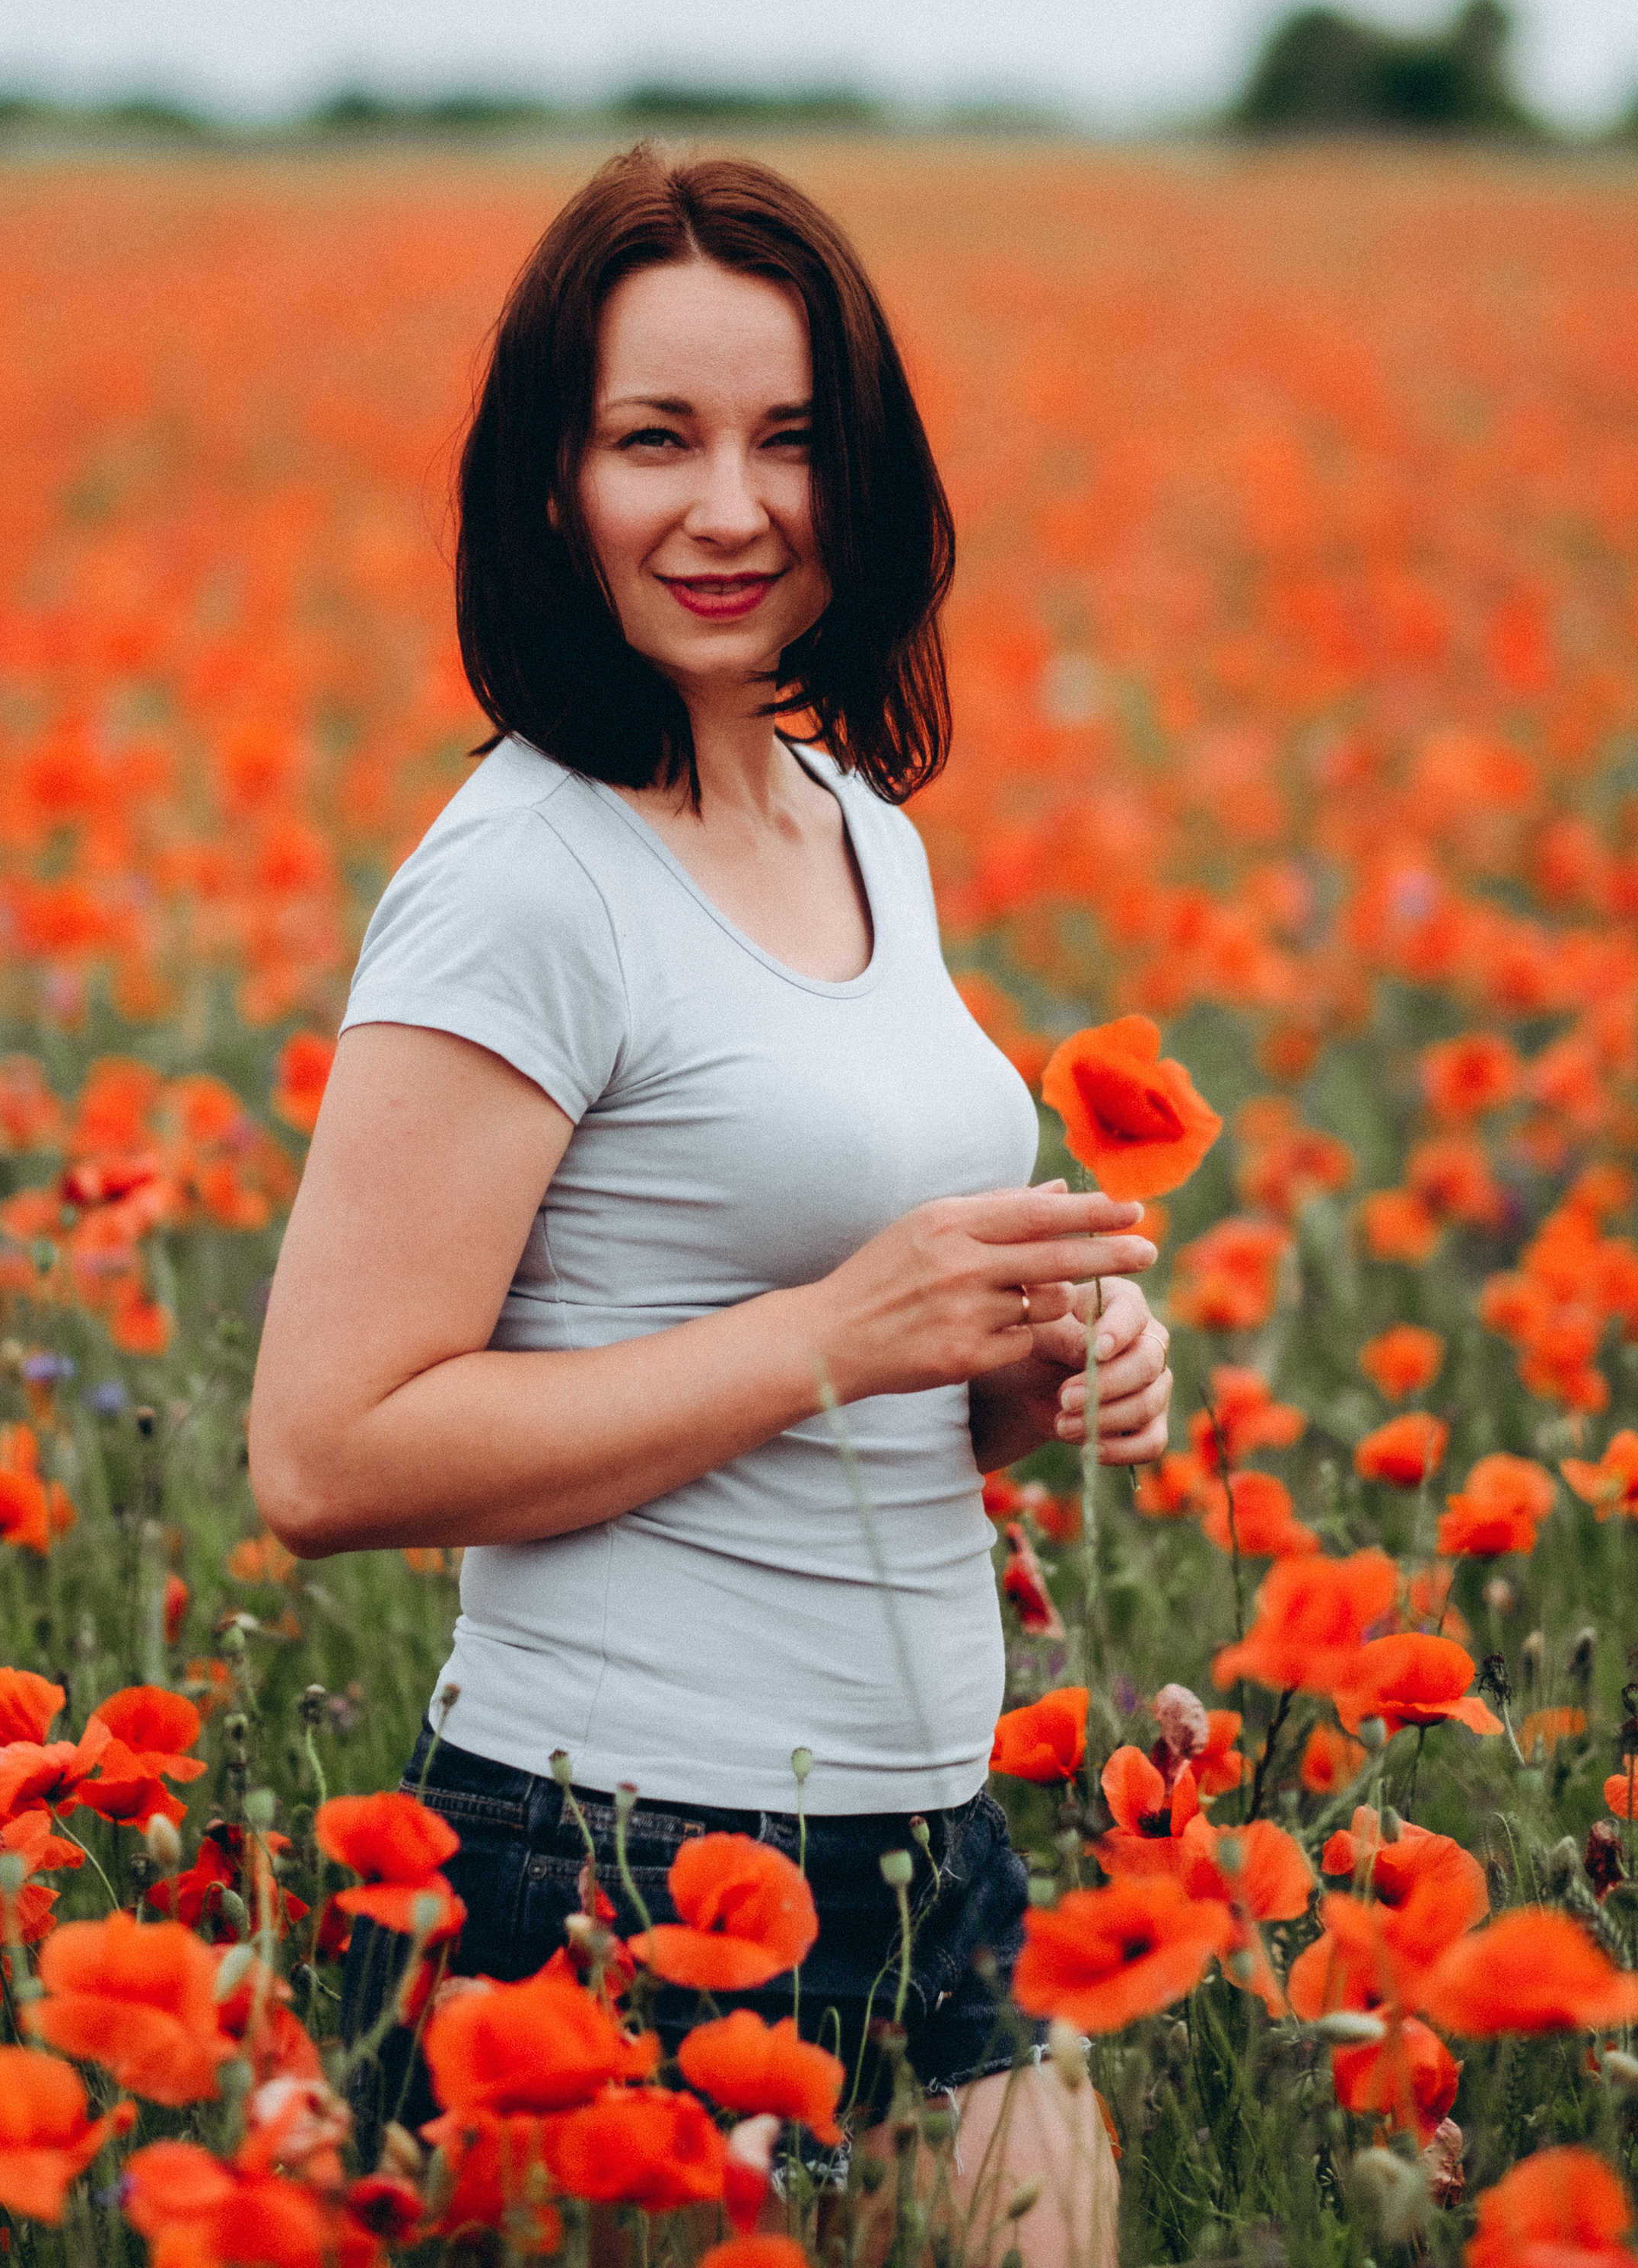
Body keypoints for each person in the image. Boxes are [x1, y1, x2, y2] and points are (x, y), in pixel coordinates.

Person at [250, 147, 1172, 2263]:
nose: (732, 507)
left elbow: (856, 1363)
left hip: (930, 1843)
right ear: (548, 486)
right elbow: (323, 1453)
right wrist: (837, 1330)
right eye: (654, 440)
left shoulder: (858, 821)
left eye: (789, 441)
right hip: (616, 1861)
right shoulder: (525, 877)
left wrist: (1032, 1365)